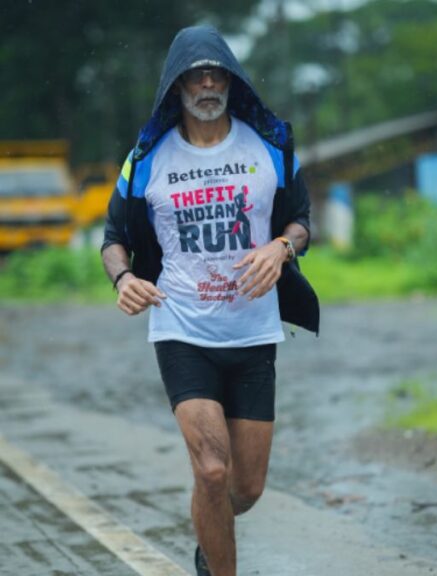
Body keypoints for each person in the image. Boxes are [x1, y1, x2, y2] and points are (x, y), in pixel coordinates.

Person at [100, 25, 319, 576]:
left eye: (216, 73)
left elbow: (301, 223)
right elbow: (113, 239)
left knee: (244, 488)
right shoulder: (146, 159)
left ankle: (208, 535)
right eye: (194, 75)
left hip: (254, 333)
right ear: (175, 87)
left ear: (231, 80)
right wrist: (124, 279)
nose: (206, 84)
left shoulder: (269, 146)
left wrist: (281, 247)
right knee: (213, 472)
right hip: (182, 330)